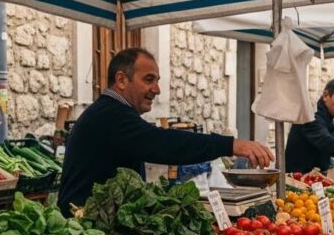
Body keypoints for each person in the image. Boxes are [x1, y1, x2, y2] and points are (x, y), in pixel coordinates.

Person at [58, 47, 272, 215]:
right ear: (121, 80)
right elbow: (163, 143)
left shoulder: (113, 112)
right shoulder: (109, 116)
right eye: (149, 79)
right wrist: (230, 145)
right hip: (83, 226)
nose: (157, 89)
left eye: (157, 81)